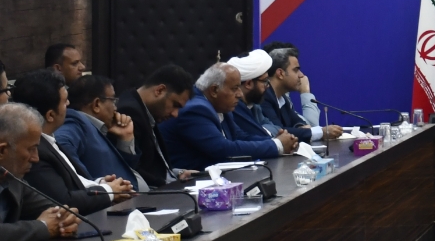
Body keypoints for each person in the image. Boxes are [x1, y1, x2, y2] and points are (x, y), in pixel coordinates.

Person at [13, 71, 129, 212]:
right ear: (51, 115)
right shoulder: (37, 152)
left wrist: (99, 184)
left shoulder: (49, 140)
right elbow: (64, 201)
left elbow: (72, 183)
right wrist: (108, 191)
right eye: (64, 101)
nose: (68, 104)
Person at [159, 63, 295, 171]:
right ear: (214, 90)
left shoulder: (219, 105)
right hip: (184, 184)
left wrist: (277, 141)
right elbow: (223, 150)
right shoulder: (196, 109)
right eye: (235, 88)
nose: (240, 94)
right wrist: (277, 145)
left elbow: (240, 136)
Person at [0, 103, 79, 241]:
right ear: (2, 151)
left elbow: (56, 211)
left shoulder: (13, 178)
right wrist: (42, 227)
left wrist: (66, 219)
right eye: (31, 149)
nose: (36, 158)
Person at [55, 73, 142, 188]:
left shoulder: (99, 127)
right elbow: (61, 143)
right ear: (96, 104)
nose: (116, 108)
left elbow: (123, 169)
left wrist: (125, 140)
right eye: (113, 101)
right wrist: (95, 184)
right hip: (111, 197)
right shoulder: (75, 122)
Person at [118, 64, 197, 188]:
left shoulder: (145, 110)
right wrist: (172, 185)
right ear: (159, 90)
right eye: (175, 105)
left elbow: (153, 168)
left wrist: (178, 174)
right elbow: (133, 170)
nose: (175, 114)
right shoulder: (129, 112)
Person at [263, 46, 342, 142]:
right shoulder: (264, 97)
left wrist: (300, 127)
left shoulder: (281, 98)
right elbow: (279, 131)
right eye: (296, 70)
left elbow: (297, 121)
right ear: (280, 73)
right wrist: (321, 132)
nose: (301, 75)